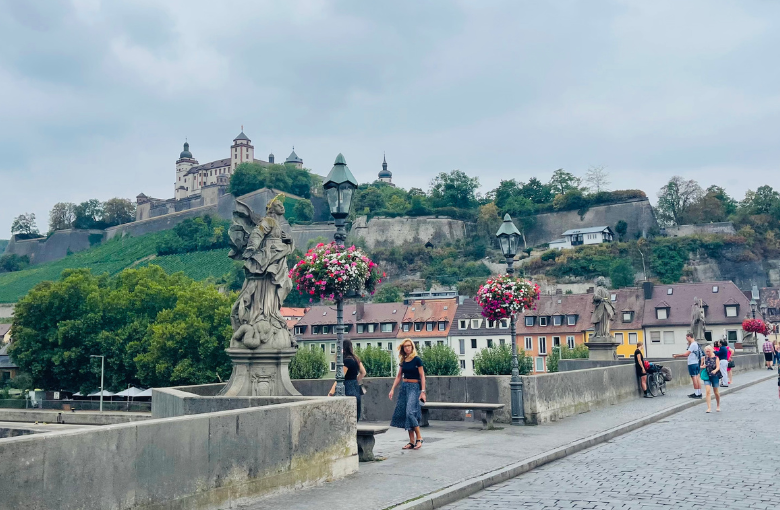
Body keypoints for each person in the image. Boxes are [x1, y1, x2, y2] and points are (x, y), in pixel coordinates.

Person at [389, 338, 426, 450]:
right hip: (404, 387)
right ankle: (411, 441)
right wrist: (392, 389)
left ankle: (419, 437)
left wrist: (423, 392)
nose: (407, 348)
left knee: (410, 412)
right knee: (406, 413)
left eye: (409, 346)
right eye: (405, 346)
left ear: (412, 347)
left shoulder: (417, 360)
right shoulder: (403, 360)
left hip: (414, 387)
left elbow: (422, 376)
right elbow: (399, 376)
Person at [328, 340, 366, 421]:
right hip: (355, 387)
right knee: (355, 413)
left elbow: (340, 378)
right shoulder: (356, 359)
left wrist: (331, 393)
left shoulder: (346, 361)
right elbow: (363, 372)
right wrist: (355, 380)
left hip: (347, 388)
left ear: (343, 349)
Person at [673, 332, 702, 399]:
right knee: (697, 378)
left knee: (694, 378)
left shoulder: (693, 345)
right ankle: (699, 392)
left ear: (689, 337)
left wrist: (677, 355)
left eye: (686, 338)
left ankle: (696, 393)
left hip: (692, 363)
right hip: (696, 362)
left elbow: (686, 354)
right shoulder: (696, 344)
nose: (686, 339)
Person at [700, 345, 721, 413]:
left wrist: (715, 370)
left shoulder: (716, 358)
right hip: (707, 376)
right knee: (708, 391)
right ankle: (709, 408)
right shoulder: (704, 358)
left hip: (714, 376)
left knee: (716, 392)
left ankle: (718, 405)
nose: (707, 353)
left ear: (712, 351)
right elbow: (701, 366)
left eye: (708, 351)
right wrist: (703, 366)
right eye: (706, 352)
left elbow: (718, 367)